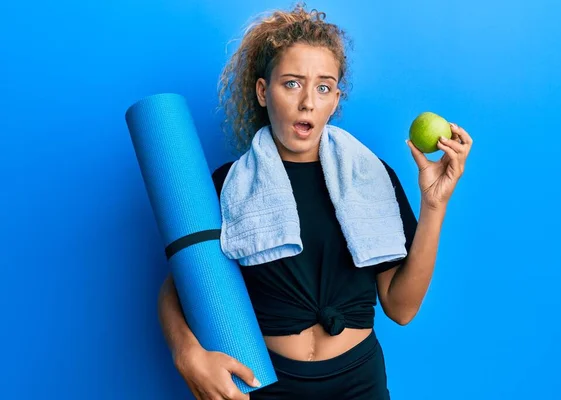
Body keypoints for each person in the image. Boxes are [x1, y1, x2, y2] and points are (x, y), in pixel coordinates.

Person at [158, 4, 473, 400]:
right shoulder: (228, 185)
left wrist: (434, 206)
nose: (308, 101)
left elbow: (401, 307)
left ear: (335, 98)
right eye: (292, 83)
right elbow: (180, 283)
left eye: (323, 87)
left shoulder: (371, 177)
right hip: (266, 385)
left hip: (360, 383)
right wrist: (186, 354)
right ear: (262, 91)